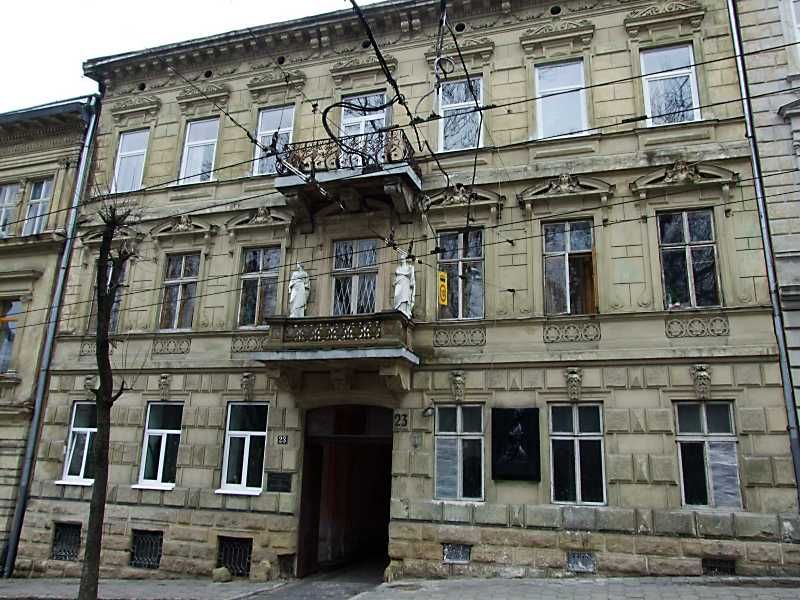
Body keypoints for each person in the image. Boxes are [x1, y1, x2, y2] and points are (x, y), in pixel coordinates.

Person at [393, 254, 415, 318]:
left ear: (405, 260)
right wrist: (395, 282)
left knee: (405, 297)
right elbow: (396, 277)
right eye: (401, 259)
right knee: (398, 296)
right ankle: (399, 309)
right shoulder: (398, 268)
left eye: (403, 259)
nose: (402, 260)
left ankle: (405, 310)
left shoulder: (409, 267)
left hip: (405, 283)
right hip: (399, 284)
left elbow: (412, 277)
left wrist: (411, 281)